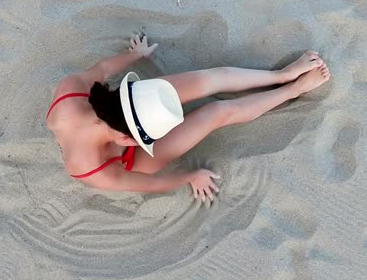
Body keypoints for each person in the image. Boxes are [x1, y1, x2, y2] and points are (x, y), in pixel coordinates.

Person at [46, 33, 331, 203]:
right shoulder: (93, 170)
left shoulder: (73, 91)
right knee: (217, 113)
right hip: (134, 162)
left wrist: (135, 55)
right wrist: (190, 177)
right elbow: (151, 184)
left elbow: (104, 67)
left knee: (210, 79)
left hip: (139, 105)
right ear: (126, 139)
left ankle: (280, 75)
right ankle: (294, 89)